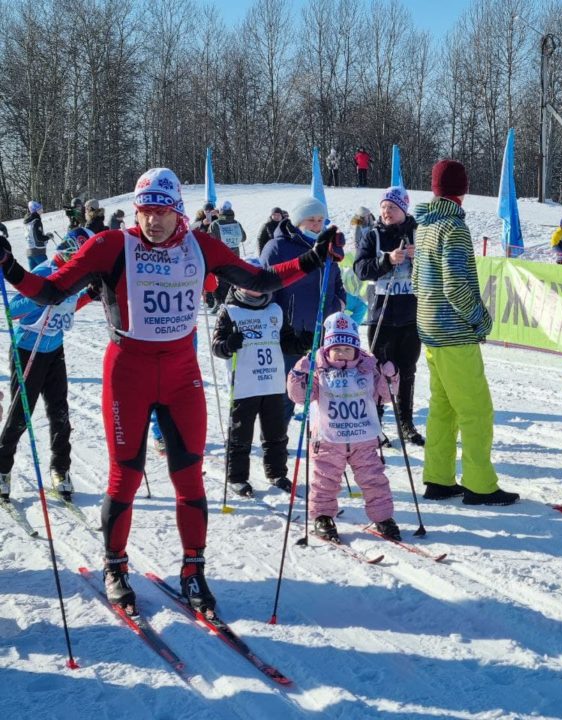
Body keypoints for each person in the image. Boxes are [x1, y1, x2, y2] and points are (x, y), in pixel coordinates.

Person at [0, 167, 344, 615]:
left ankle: (193, 568)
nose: (152, 221)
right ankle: (116, 565)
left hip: (182, 377)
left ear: (176, 210)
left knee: (189, 476)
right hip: (129, 374)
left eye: (161, 210)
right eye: (145, 211)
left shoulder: (198, 246)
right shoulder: (110, 246)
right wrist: (8, 266)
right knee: (126, 474)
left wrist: (313, 259)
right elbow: (50, 291)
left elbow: (256, 280)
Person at [412, 159, 518, 506]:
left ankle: (439, 477)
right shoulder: (453, 229)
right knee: (476, 410)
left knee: (443, 407)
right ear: (464, 189)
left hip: (430, 329)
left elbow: (416, 281)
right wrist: (480, 320)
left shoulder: (425, 226)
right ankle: (480, 484)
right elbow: (456, 286)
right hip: (454, 332)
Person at [287, 312, 402, 542]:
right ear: (327, 349)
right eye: (336, 349)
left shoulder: (368, 369)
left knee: (374, 479)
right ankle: (322, 516)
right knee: (324, 481)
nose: (341, 353)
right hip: (328, 440)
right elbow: (299, 397)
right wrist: (299, 374)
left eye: (347, 349)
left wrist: (391, 376)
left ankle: (383, 517)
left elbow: (386, 396)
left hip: (363, 439)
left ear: (356, 349)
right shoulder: (318, 371)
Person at [0, 240, 93, 502]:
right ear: (67, 253)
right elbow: (12, 310)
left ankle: (60, 469)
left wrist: (91, 294)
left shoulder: (77, 275)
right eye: (78, 257)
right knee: (21, 412)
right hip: (28, 349)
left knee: (59, 411)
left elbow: (69, 307)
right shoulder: (43, 272)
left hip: (54, 348)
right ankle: (2, 468)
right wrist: (41, 299)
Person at [261, 196, 347, 429]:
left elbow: (337, 280)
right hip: (289, 333)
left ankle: (325, 439)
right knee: (287, 390)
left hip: (321, 331)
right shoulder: (277, 248)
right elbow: (267, 288)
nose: (317, 226)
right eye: (311, 220)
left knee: (323, 388)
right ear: (298, 220)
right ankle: (276, 440)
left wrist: (338, 303)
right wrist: (281, 326)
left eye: (320, 220)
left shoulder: (326, 245)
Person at [211, 259, 292, 496]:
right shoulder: (230, 311)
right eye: (249, 281)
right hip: (245, 385)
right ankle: (237, 477)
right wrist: (228, 344)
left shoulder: (275, 309)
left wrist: (301, 341)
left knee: (276, 433)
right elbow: (217, 347)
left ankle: (277, 472)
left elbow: (286, 340)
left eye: (260, 281)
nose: (256, 286)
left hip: (273, 382)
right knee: (240, 433)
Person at [353, 186, 424, 446]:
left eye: (392, 208)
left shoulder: (419, 232)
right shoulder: (373, 236)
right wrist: (387, 261)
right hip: (381, 314)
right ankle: (376, 424)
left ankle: (406, 423)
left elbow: (435, 269)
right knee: (379, 371)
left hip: (410, 315)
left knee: (407, 370)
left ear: (403, 210)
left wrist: (420, 258)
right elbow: (360, 269)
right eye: (383, 208)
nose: (386, 213)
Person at [209, 201, 248, 305]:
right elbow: (243, 238)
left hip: (220, 258)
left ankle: (220, 304)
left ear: (220, 211)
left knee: (220, 282)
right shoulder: (237, 223)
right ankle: (232, 301)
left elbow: (210, 241)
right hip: (235, 256)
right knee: (233, 280)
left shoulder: (215, 224)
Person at [23, 201, 51, 270]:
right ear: (35, 210)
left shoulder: (28, 221)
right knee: (48, 273)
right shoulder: (36, 221)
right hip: (38, 252)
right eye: (39, 209)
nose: (42, 210)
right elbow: (39, 238)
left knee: (34, 276)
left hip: (29, 251)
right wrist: (48, 236)